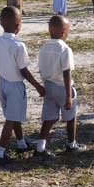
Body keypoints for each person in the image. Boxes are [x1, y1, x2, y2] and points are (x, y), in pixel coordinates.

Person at [0, 6, 46, 167]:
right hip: (15, 85)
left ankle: (21, 143)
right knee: (11, 119)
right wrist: (38, 86)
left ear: (1, 23)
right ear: (18, 25)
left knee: (13, 115)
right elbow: (24, 70)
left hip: (2, 83)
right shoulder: (18, 46)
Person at [35, 15, 85, 157]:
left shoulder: (43, 48)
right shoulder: (65, 49)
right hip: (63, 87)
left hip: (48, 86)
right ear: (63, 33)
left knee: (49, 118)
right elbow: (66, 72)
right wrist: (69, 96)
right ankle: (71, 144)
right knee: (71, 116)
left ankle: (40, 147)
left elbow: (41, 69)